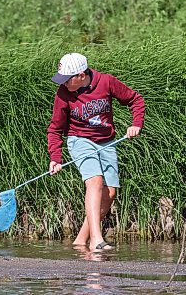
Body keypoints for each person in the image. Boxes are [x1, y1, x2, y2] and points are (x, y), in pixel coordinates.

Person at [47, 53, 145, 251]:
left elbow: (135, 100)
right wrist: (55, 158)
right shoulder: (63, 94)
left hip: (106, 141)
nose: (64, 84)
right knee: (95, 181)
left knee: (109, 193)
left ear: (81, 75)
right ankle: (97, 241)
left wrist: (136, 124)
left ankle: (81, 240)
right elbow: (55, 129)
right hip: (79, 139)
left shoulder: (106, 82)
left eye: (67, 79)